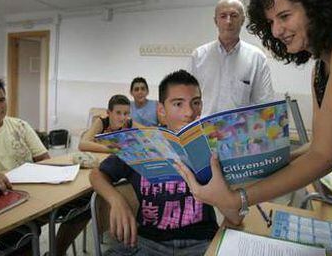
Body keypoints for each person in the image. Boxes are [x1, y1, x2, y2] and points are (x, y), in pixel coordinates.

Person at [175, 0, 332, 254]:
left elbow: (326, 155)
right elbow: (316, 146)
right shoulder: (321, 67)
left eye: (285, 16)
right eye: (271, 22)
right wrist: (268, 164)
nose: (276, 30)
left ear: (317, 6)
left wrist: (240, 198)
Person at [89, 70, 241, 256]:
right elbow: (96, 174)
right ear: (161, 110)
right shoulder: (142, 144)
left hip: (201, 242)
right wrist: (116, 200)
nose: (189, 112)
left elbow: (235, 217)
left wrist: (222, 197)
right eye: (178, 104)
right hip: (147, 242)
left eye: (196, 103)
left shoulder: (214, 146)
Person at [0, 75, 89, 256]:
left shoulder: (20, 126)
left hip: (35, 196)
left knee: (85, 202)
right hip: (1, 204)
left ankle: (56, 252)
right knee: (22, 237)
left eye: (1, 100)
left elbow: (45, 160)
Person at [190, 0, 274, 116]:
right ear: (216, 21)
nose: (228, 21)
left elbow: (265, 102)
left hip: (240, 132)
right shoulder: (198, 56)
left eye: (234, 15)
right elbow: (189, 97)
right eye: (223, 16)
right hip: (204, 130)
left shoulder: (257, 58)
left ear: (242, 20)